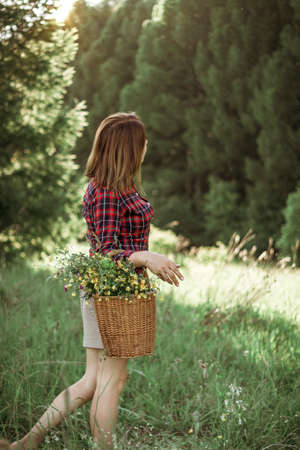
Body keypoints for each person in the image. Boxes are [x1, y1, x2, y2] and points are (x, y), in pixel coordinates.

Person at [10, 112, 184, 449]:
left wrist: (146, 257)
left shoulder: (121, 188)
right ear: (129, 148)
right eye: (142, 141)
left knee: (93, 380)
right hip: (109, 294)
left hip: (110, 292)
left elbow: (119, 244)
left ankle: (27, 443)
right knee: (112, 379)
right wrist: (146, 257)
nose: (146, 146)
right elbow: (105, 253)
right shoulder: (106, 192)